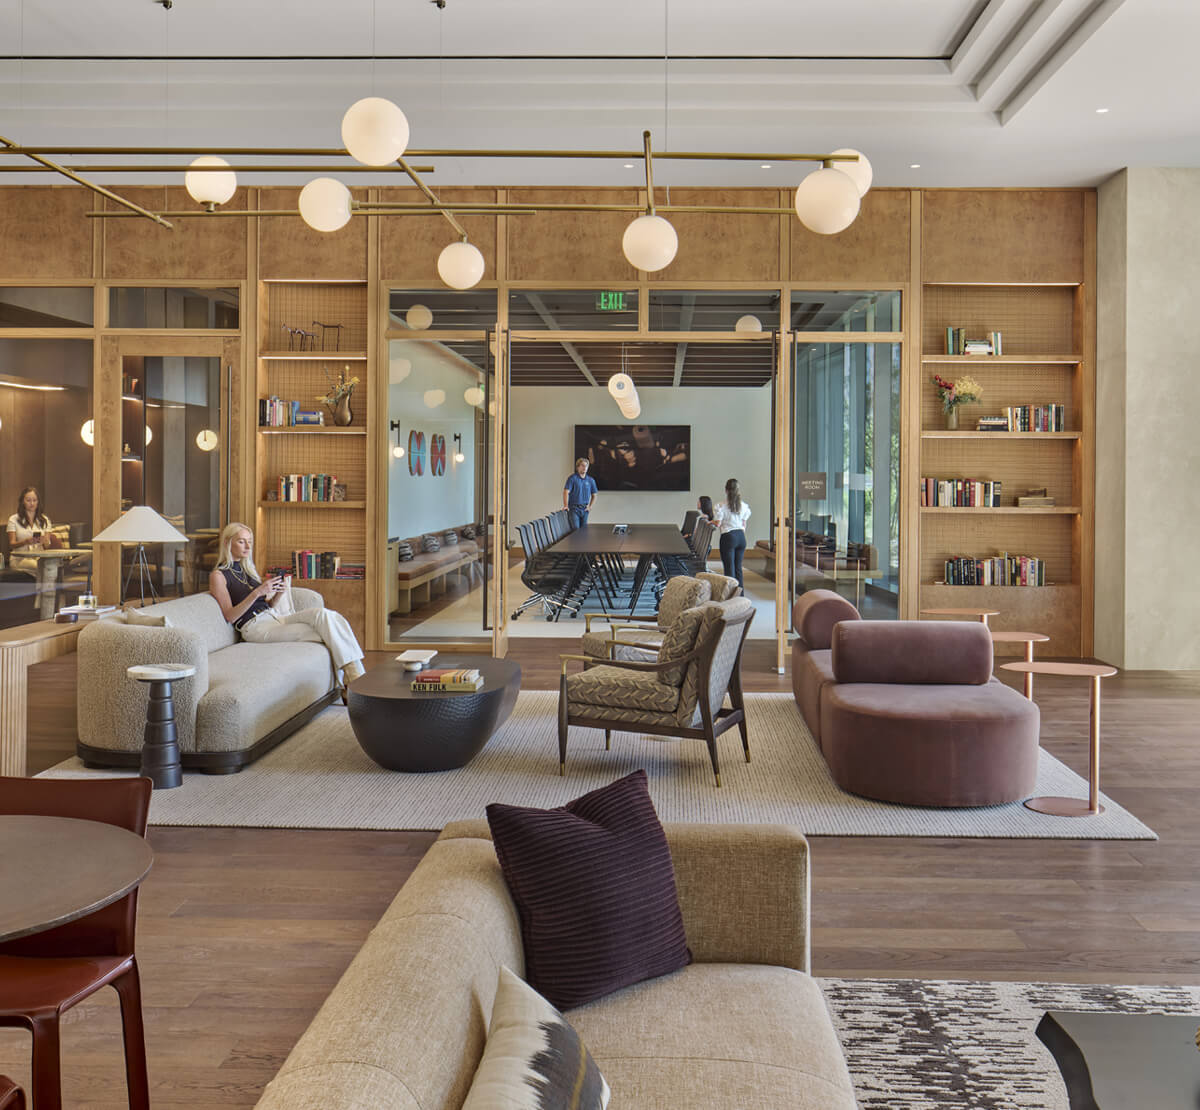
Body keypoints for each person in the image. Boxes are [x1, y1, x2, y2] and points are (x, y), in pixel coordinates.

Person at [208, 522, 365, 691]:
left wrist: (278, 594)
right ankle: (357, 682)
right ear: (227, 543)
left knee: (325, 616)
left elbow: (267, 605)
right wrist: (257, 592)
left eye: (249, 541)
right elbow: (229, 616)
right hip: (255, 628)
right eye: (241, 541)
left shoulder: (248, 570)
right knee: (326, 631)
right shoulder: (218, 576)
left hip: (275, 617)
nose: (247, 546)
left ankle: (353, 682)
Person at [712, 478, 751, 589]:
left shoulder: (721, 506)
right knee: (738, 568)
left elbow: (718, 524)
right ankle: (740, 596)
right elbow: (744, 524)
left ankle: (731, 598)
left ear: (726, 490)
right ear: (738, 490)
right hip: (741, 538)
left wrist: (710, 522)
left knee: (729, 569)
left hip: (728, 537)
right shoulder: (744, 506)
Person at [6, 486, 52, 574]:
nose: (32, 503)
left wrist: (45, 541)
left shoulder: (44, 519)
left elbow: (47, 547)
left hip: (39, 557)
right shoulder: (13, 519)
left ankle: (44, 587)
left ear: (38, 502)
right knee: (41, 567)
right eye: (28, 500)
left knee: (51, 566)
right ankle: (45, 588)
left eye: (35, 500)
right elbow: (11, 544)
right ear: (23, 502)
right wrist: (25, 542)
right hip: (20, 559)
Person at [562, 457, 598, 529]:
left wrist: (590, 506)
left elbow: (594, 495)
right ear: (578, 467)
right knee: (576, 529)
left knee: (583, 531)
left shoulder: (591, 480)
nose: (584, 468)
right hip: (574, 509)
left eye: (586, 466)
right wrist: (565, 505)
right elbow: (566, 492)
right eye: (582, 465)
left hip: (585, 509)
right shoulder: (572, 478)